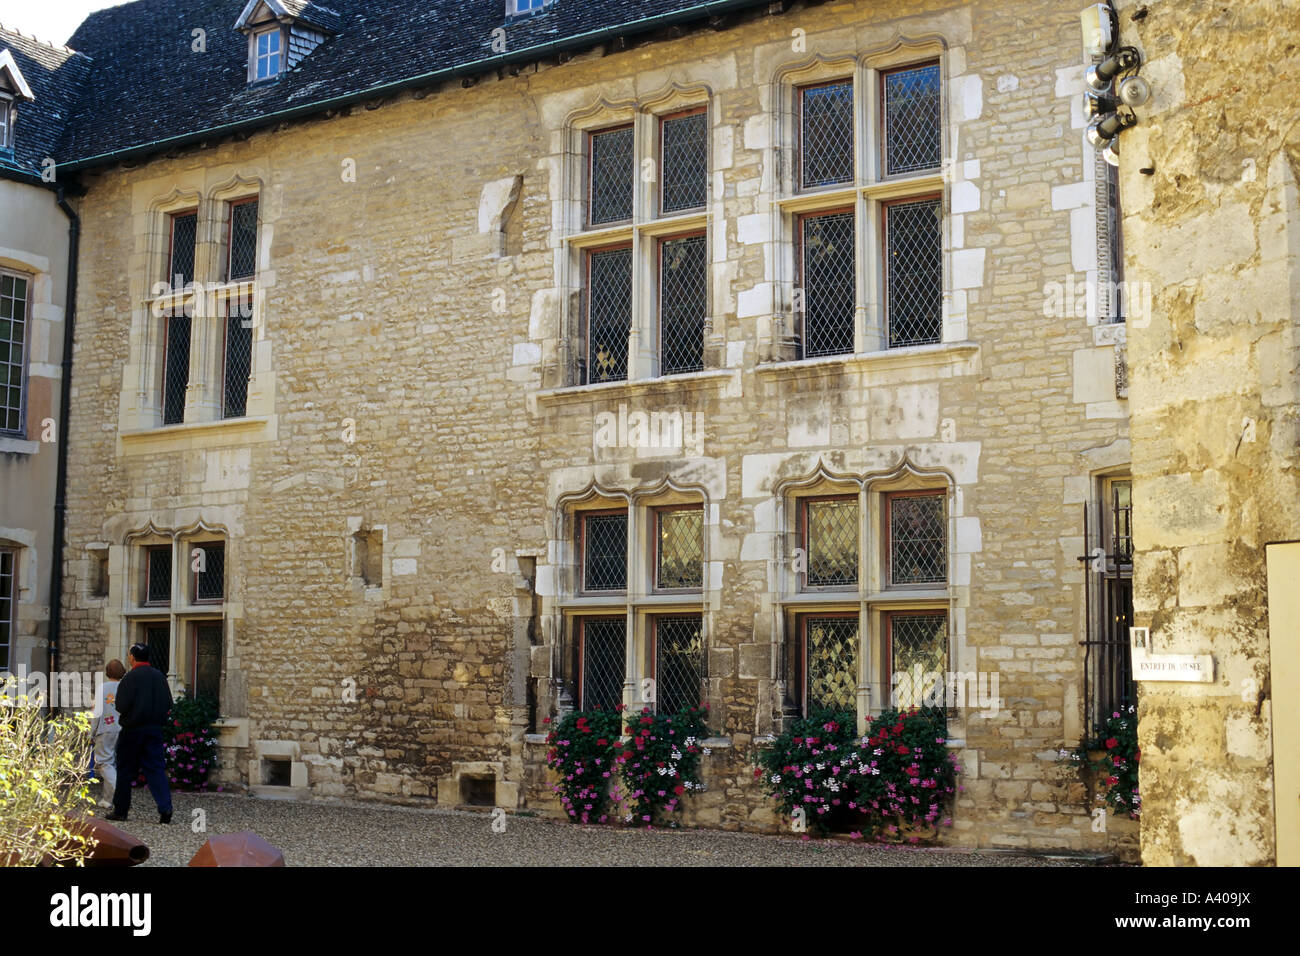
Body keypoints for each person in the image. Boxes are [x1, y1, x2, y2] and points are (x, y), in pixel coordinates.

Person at [105, 643, 174, 824]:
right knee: (156, 769)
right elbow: (168, 703)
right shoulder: (159, 677)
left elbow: (121, 706)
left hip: (132, 731)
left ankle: (121, 810)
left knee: (125, 770)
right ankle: (165, 808)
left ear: (132, 658)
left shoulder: (130, 678)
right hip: (154, 730)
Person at [90, 659, 125, 808]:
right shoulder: (125, 687)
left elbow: (96, 713)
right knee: (114, 764)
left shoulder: (102, 688)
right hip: (123, 729)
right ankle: (107, 799)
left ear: (107, 672)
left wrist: (91, 732)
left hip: (105, 729)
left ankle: (119, 795)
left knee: (105, 763)